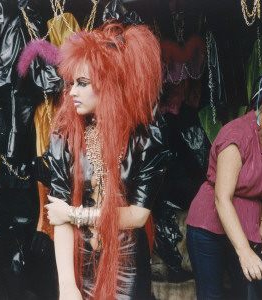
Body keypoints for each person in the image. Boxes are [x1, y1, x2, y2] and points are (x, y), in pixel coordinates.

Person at [43, 21, 168, 299]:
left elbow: (137, 215)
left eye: (83, 83)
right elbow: (58, 215)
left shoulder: (145, 137)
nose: (72, 92)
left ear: (109, 84)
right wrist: (67, 287)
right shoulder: (65, 137)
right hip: (79, 260)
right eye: (71, 83)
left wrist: (76, 214)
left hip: (128, 263)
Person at [185, 71, 262, 299]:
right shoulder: (236, 136)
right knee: (212, 295)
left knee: (248, 292)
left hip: (247, 228)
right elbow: (222, 199)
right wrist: (243, 251)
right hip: (208, 229)